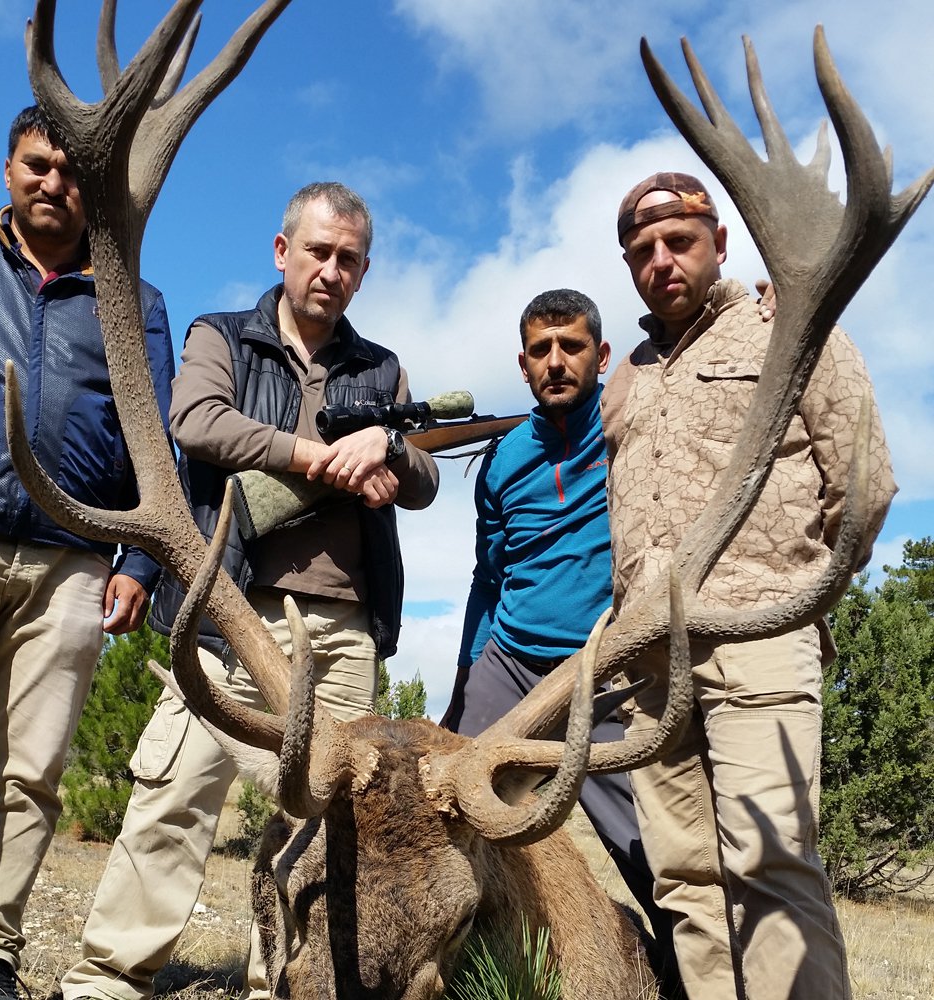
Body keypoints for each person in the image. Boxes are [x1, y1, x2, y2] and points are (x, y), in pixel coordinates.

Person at [61, 181, 439, 1000]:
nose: (331, 272)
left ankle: (287, 980)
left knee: (319, 823)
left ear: (364, 272)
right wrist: (316, 459)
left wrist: (387, 453)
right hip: (233, 612)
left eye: (349, 260)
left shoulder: (383, 368)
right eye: (318, 253)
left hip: (344, 628)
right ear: (282, 251)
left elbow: (427, 480)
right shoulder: (222, 336)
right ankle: (107, 980)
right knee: (177, 797)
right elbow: (194, 420)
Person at [602, 171, 897, 1000]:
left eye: (680, 241)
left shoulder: (791, 325)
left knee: (770, 863)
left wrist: (795, 600)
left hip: (756, 638)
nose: (662, 260)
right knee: (686, 881)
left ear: (719, 243)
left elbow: (864, 481)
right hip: (652, 662)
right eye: (642, 250)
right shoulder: (628, 377)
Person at [0, 106, 174, 1000]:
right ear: (7, 170)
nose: (53, 183)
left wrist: (140, 562)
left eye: (72, 172)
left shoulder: (132, 298)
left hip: (76, 561)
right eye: (37, 165)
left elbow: (153, 440)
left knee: (31, 771)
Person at [441, 288, 681, 997]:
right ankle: (459, 969)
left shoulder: (630, 423)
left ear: (601, 355)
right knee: (450, 812)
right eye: (541, 351)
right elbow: (488, 576)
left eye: (571, 347)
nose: (556, 362)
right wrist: (466, 674)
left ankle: (690, 978)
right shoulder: (503, 459)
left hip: (601, 669)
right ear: (522, 364)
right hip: (509, 661)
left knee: (653, 849)